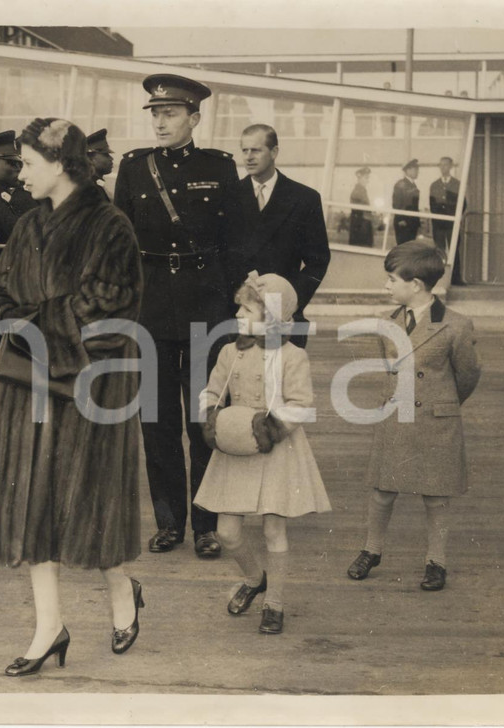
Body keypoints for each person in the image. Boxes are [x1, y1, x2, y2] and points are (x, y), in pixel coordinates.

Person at [0, 117, 144, 675]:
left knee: (88, 509)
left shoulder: (111, 225)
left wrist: (25, 330)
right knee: (33, 510)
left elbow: (105, 309)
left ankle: (122, 591)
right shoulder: (25, 225)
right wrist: (16, 328)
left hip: (88, 386)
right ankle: (49, 628)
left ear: (61, 165)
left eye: (26, 164)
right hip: (29, 385)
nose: (18, 174)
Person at [114, 73, 243, 559]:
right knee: (157, 419)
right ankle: (169, 521)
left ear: (194, 117)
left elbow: (235, 243)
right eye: (155, 113)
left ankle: (206, 525)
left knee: (202, 417)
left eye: (170, 113)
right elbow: (122, 243)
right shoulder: (133, 169)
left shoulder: (219, 167)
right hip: (150, 307)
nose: (161, 121)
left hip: (205, 305)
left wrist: (230, 306)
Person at [195, 271, 330, 635]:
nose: (238, 313)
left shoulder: (292, 356)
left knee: (274, 529)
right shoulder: (229, 351)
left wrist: (269, 430)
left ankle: (275, 603)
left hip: (274, 451)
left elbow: (301, 405)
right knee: (226, 532)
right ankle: (255, 579)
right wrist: (211, 419)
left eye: (248, 308)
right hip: (235, 449)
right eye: (239, 305)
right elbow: (210, 393)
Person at [347, 242, 481, 591]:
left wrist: (443, 404)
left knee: (436, 495)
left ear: (417, 284)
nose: (386, 286)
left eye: (392, 279)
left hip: (437, 421)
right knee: (383, 489)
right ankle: (371, 549)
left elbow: (467, 376)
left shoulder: (456, 326)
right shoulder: (388, 323)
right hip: (397, 416)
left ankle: (436, 561)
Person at [234, 123, 330, 349]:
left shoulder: (304, 199)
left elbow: (318, 261)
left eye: (256, 150)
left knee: (282, 379)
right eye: (244, 150)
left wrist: (289, 299)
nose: (248, 157)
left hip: (284, 316)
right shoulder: (228, 197)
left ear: (274, 152)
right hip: (238, 314)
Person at [429, 156, 465, 283]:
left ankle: (456, 279)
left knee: (454, 251)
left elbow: (463, 203)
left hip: (452, 224)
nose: (443, 167)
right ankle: (439, 279)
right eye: (441, 165)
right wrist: (438, 219)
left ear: (451, 166)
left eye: (446, 165)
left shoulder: (457, 184)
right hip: (439, 225)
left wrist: (454, 217)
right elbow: (432, 205)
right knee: (439, 252)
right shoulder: (434, 185)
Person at [392, 159, 421, 244]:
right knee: (404, 248)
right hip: (404, 223)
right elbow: (396, 203)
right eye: (415, 169)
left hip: (412, 223)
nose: (417, 172)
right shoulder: (400, 185)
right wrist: (400, 219)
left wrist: (417, 222)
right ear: (408, 171)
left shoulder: (412, 185)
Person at [348, 166, 375, 247]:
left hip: (362, 224)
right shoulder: (358, 191)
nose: (368, 181)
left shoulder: (361, 190)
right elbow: (362, 211)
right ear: (359, 178)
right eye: (366, 178)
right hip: (360, 226)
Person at [85, 128, 114, 201]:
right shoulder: (89, 188)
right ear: (90, 159)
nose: (111, 158)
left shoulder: (95, 185)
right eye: (106, 155)